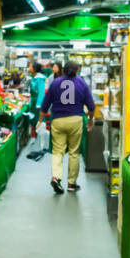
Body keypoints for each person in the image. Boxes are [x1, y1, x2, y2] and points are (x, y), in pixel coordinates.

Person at [39, 60, 96, 194]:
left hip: (57, 120)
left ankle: (56, 177)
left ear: (63, 70)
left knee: (58, 151)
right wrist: (91, 120)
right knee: (74, 152)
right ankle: (71, 183)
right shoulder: (81, 83)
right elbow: (91, 106)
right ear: (77, 70)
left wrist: (40, 120)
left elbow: (45, 104)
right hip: (75, 120)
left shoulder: (56, 82)